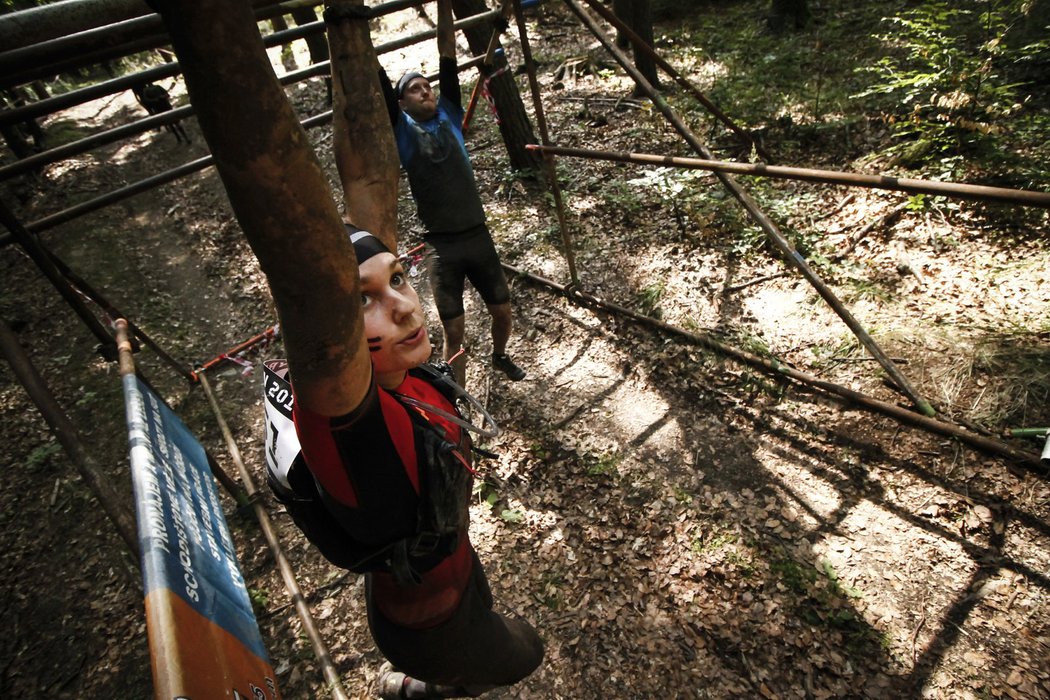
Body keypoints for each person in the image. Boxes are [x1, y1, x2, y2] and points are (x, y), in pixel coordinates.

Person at [263, 226, 544, 699]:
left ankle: (415, 688)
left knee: (483, 618)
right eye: (361, 300)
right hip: (429, 628)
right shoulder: (350, 427)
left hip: (446, 570)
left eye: (398, 277)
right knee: (526, 651)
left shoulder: (398, 373)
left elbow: (371, 179)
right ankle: (418, 690)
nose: (405, 306)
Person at [380, 0, 525, 385]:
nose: (425, 92)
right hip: (441, 248)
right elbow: (374, 77)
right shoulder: (402, 131)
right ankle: (457, 393)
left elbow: (446, 49)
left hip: (478, 235)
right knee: (454, 333)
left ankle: (499, 355)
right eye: (415, 89)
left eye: (427, 87)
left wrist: (445, 5)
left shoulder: (449, 112)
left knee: (503, 312)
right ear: (401, 103)